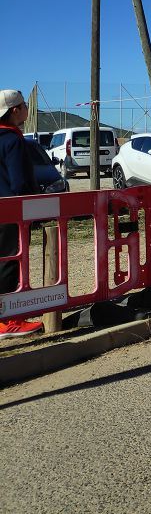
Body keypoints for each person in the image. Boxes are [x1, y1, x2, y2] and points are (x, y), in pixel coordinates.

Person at [0, 90, 44, 339]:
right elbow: (19, 181)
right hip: (11, 210)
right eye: (24, 105)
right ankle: (9, 320)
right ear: (15, 110)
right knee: (10, 262)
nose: (27, 108)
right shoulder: (13, 140)